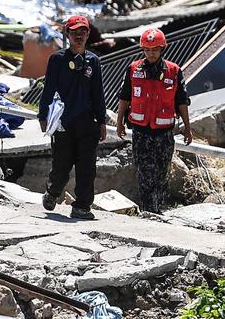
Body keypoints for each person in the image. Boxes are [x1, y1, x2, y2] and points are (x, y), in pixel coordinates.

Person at [115, 28, 192, 213]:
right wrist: (119, 122)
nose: (151, 53)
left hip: (164, 132)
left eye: (155, 49)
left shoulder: (174, 71)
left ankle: (159, 209)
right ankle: (148, 211)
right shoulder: (133, 70)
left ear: (162, 49)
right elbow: (125, 97)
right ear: (142, 49)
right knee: (145, 173)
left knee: (161, 173)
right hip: (141, 132)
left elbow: (181, 101)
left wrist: (188, 127)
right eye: (147, 49)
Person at [38, 15, 107, 220]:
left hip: (87, 123)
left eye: (83, 32)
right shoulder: (58, 59)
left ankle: (82, 206)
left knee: (87, 168)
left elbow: (98, 94)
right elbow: (48, 89)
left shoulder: (93, 61)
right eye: (74, 32)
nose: (79, 35)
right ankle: (52, 192)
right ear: (67, 34)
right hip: (63, 123)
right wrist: (43, 115)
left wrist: (101, 121)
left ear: (88, 35)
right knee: (62, 165)